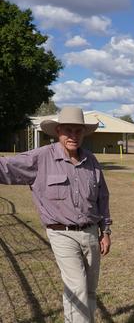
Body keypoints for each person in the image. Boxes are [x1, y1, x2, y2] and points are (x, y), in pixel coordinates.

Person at [0, 106, 111, 322]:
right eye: (68, 130)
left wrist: (105, 230)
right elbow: (6, 168)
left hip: (90, 234)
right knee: (77, 287)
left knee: (89, 289)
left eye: (78, 131)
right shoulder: (41, 158)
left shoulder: (91, 160)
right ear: (58, 131)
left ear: (84, 133)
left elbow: (102, 198)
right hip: (61, 234)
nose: (73, 135)